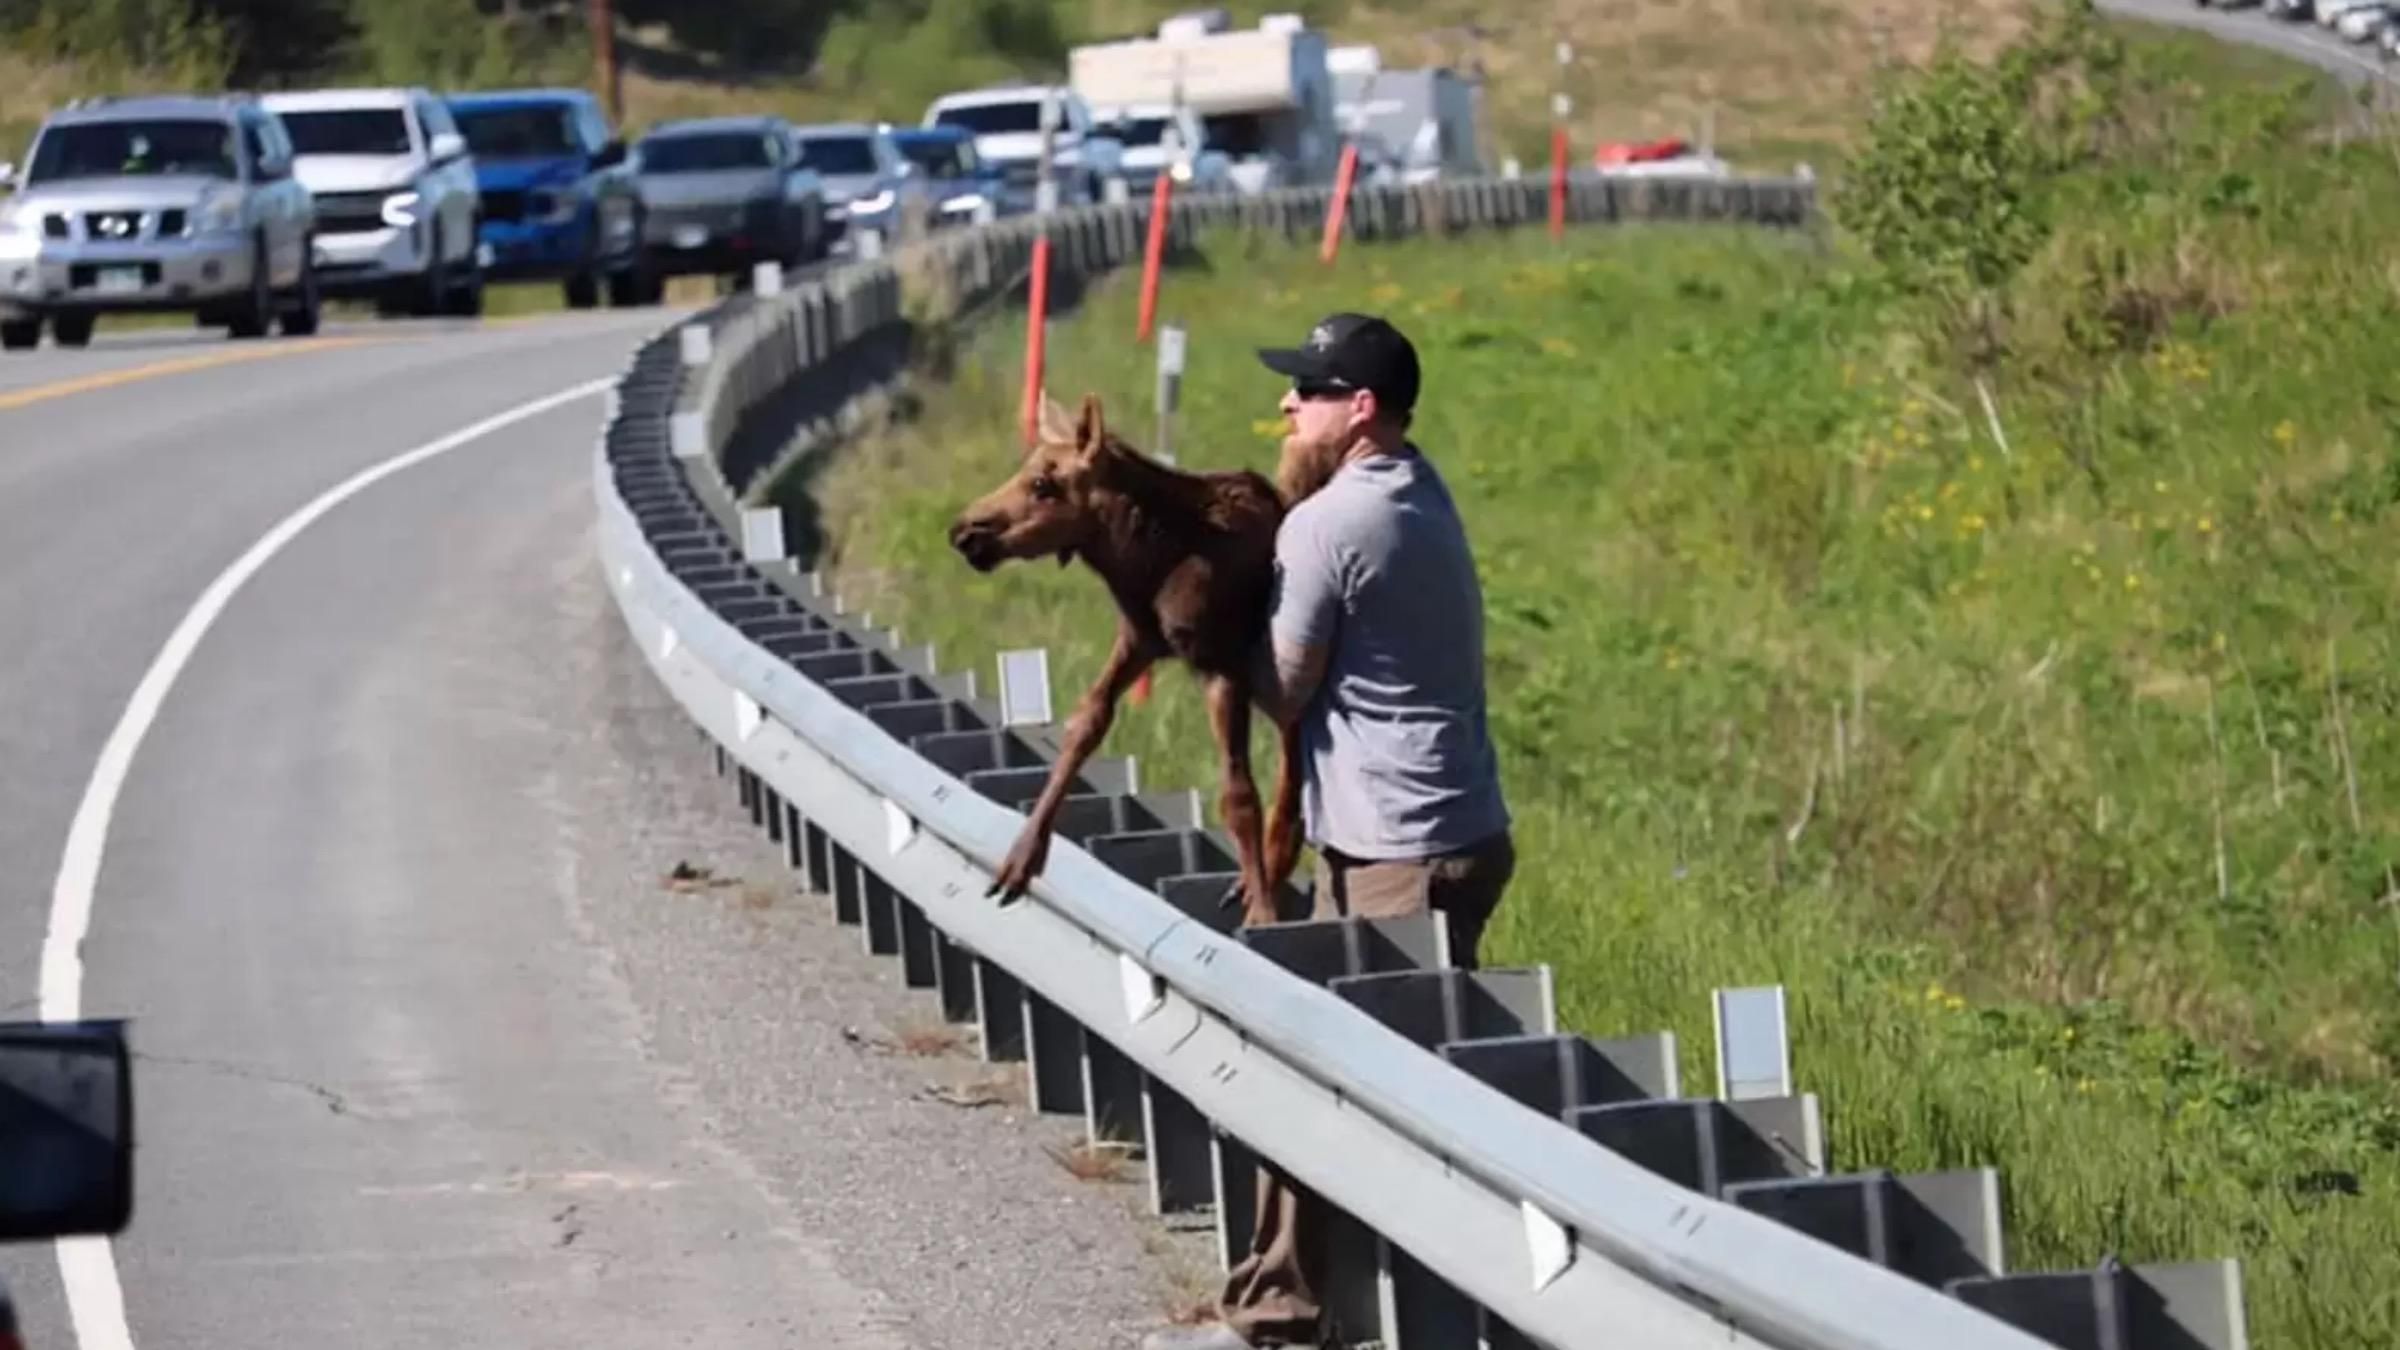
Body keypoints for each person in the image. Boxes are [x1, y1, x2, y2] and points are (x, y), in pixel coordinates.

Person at [1140, 312, 1515, 1350]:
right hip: (1442, 826)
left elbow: (1287, 684)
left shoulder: (1329, 524)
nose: (1284, 406)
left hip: (1402, 846)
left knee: (1329, 1085)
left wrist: (1207, 632)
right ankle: (1301, 1307)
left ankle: (1287, 1316)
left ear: (1359, 411)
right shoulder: (1417, 487)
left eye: (1305, 390)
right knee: (1341, 1078)